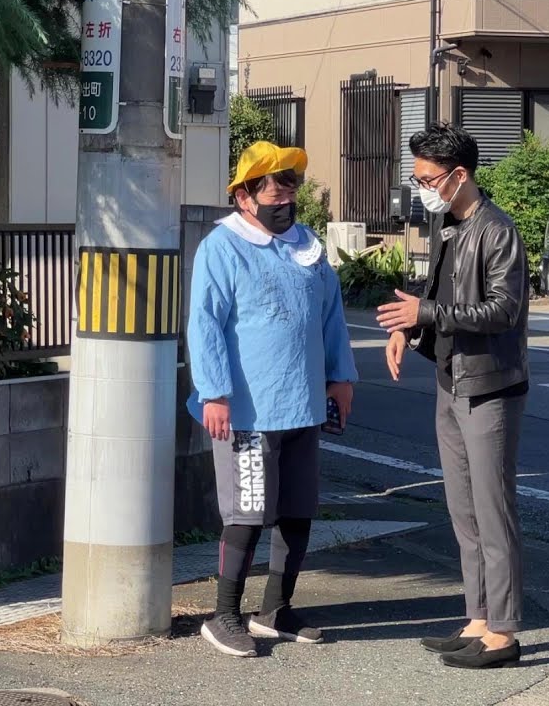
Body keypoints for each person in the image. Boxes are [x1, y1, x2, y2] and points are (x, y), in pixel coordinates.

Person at [187, 141, 358, 658]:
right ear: (244, 196)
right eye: (274, 189)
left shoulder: (307, 247)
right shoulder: (222, 247)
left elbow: (331, 317)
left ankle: (276, 609)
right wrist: (214, 392)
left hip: (302, 403)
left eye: (291, 188)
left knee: (298, 511)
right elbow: (205, 324)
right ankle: (224, 616)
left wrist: (341, 377)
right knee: (245, 515)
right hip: (246, 412)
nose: (285, 198)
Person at [377, 123, 530, 669]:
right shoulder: (447, 225)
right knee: (464, 513)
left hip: (490, 386)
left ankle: (505, 633)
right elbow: (434, 299)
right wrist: (408, 327)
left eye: (428, 178)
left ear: (459, 175)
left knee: (494, 513)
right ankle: (479, 618)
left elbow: (502, 311)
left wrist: (426, 314)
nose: (421, 187)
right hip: (451, 380)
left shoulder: (497, 230)